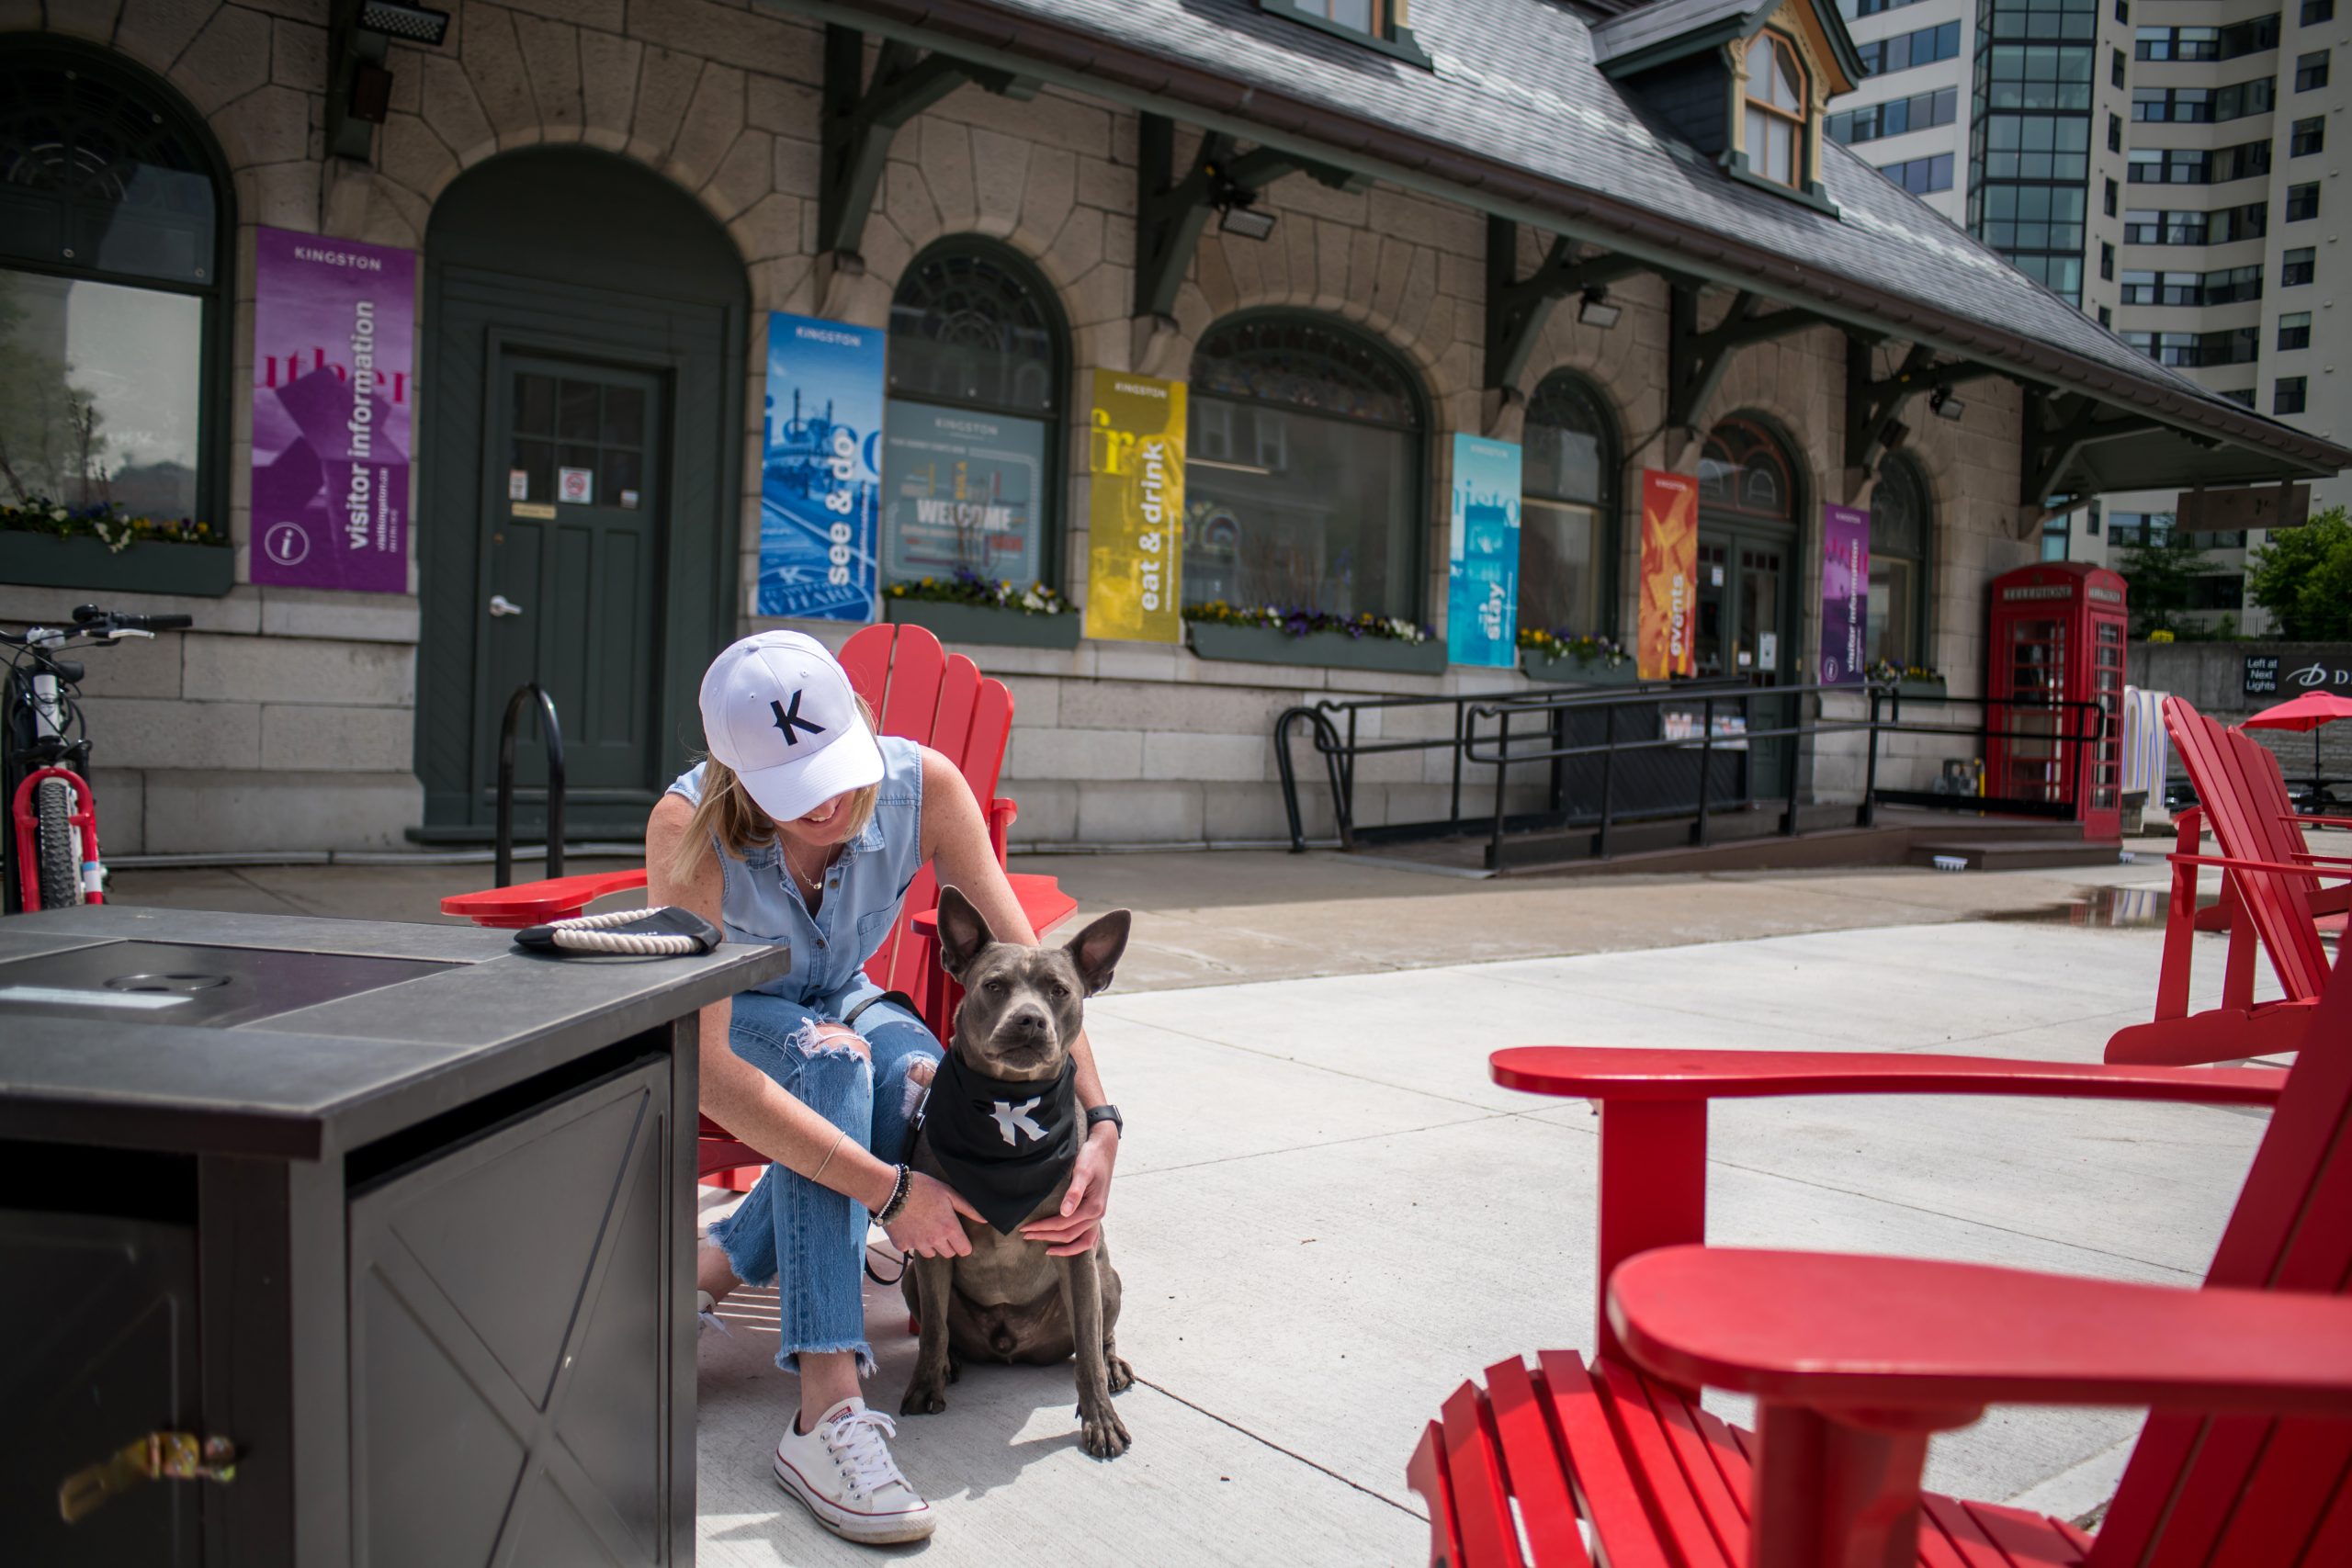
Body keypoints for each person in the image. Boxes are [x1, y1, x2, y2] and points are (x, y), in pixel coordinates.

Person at [648, 630, 1121, 1547]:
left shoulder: (925, 788)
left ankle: (709, 1269)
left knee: (932, 1090)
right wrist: (890, 1193)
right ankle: (824, 1414)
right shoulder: (689, 828)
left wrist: (1099, 1122)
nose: (828, 803)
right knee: (834, 1066)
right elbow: (704, 1064)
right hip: (741, 1011)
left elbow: (1031, 957)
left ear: (862, 726)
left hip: (850, 995)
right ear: (732, 779)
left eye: (836, 768)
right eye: (793, 792)